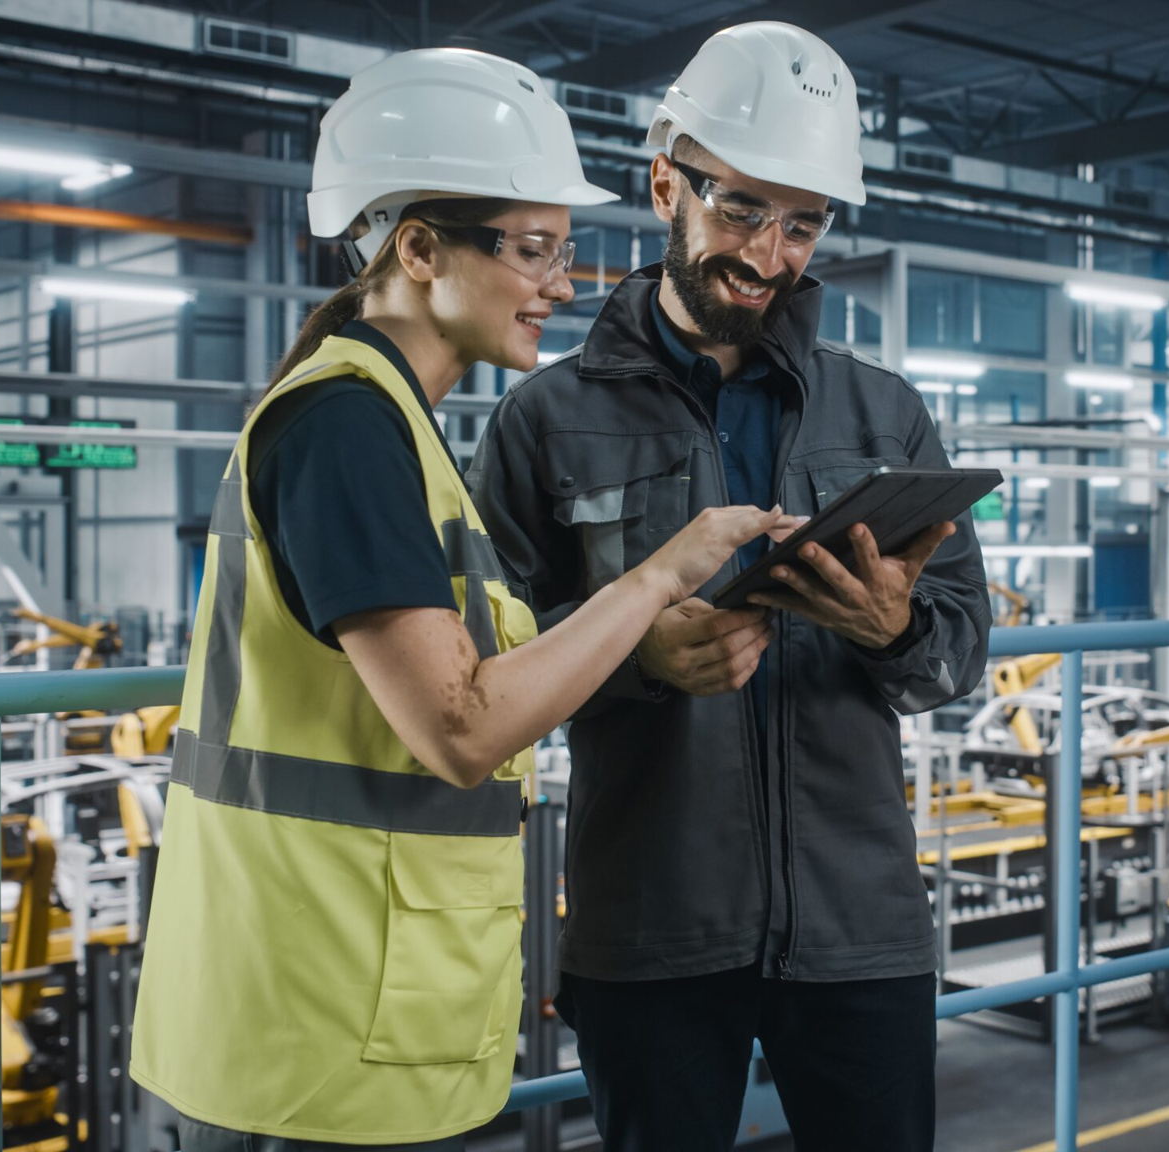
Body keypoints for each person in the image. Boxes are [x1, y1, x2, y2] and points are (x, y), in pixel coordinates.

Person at [129, 49, 786, 1152]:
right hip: (315, 1028)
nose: (563, 284)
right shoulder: (344, 430)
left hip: (347, 1006)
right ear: (418, 249)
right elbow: (460, 725)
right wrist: (658, 576)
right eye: (531, 250)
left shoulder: (389, 428)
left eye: (564, 252)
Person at [470, 22, 990, 1152]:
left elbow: (958, 656)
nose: (766, 254)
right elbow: (485, 675)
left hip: (859, 931)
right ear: (665, 183)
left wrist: (895, 629)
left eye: (801, 224)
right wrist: (636, 659)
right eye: (740, 209)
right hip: (651, 928)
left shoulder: (883, 414)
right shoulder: (543, 421)